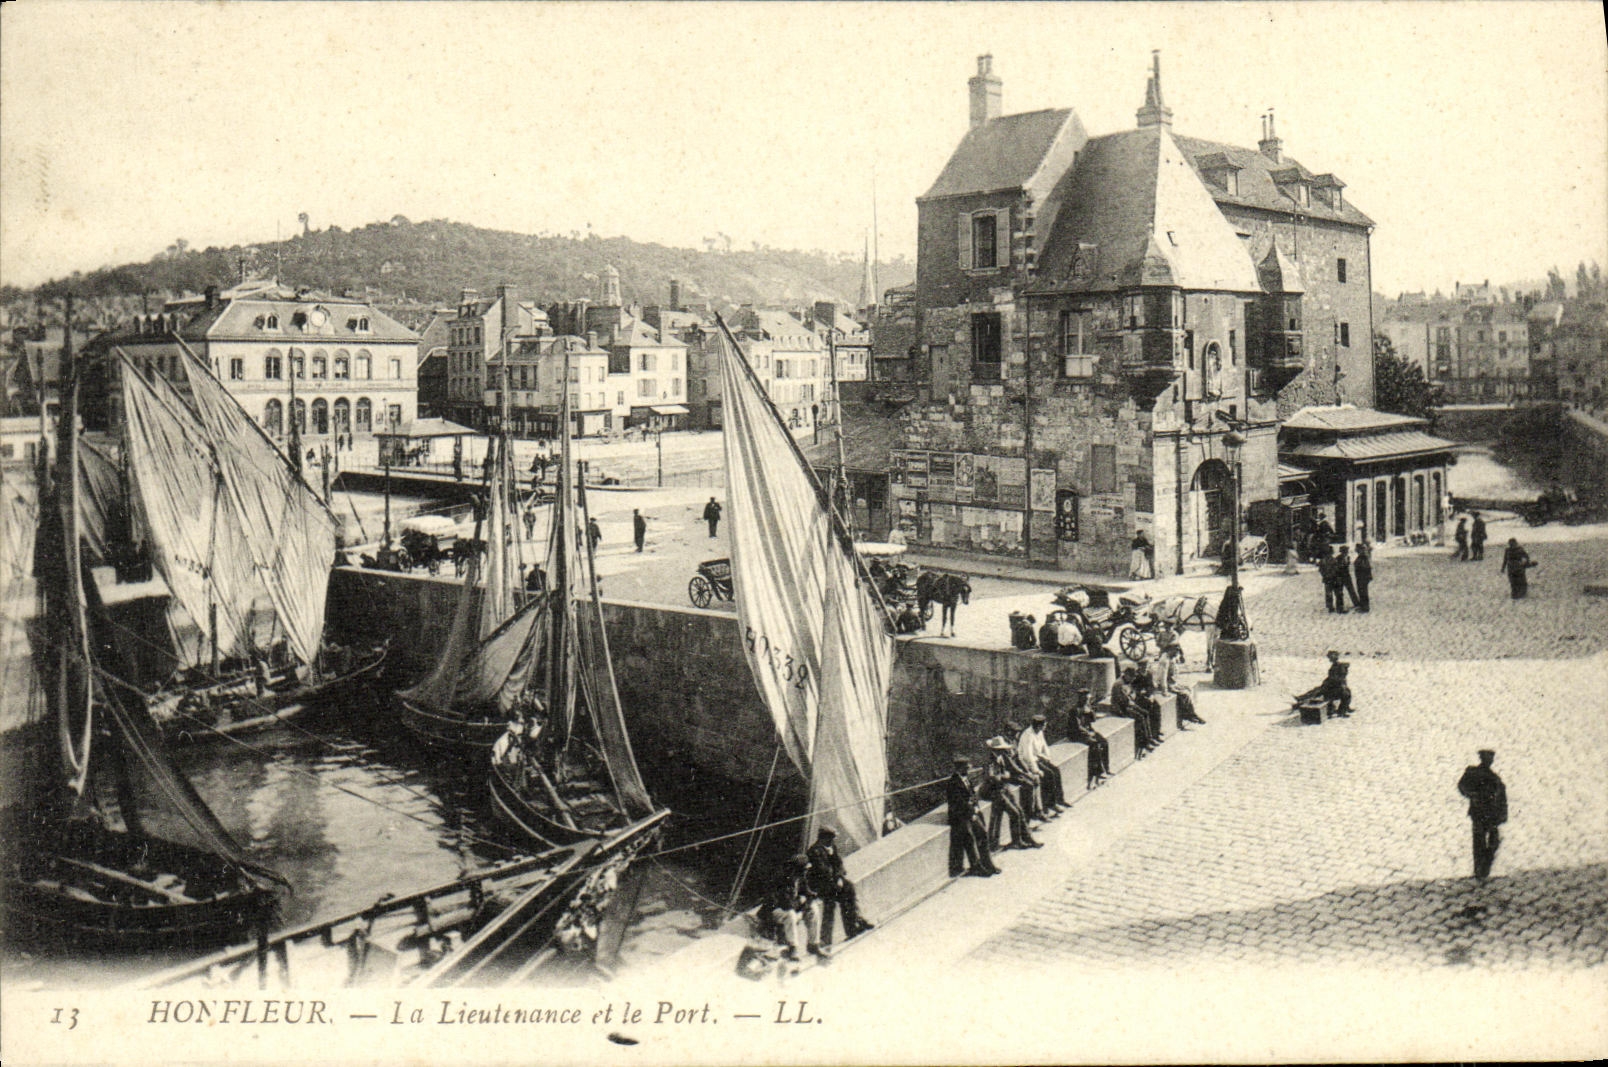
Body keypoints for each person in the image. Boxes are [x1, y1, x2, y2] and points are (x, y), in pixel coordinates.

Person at [805, 827, 872, 945]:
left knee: (848, 889)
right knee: (830, 904)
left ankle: (854, 925)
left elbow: (840, 865)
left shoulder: (831, 848)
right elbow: (823, 871)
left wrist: (839, 878)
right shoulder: (814, 851)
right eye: (831, 838)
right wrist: (836, 876)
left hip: (833, 882)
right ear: (824, 838)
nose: (833, 841)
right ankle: (827, 938)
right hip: (822, 885)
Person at [982, 737, 1042, 851]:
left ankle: (1026, 838)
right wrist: (1006, 775)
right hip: (995, 792)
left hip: (1003, 789)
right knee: (1015, 813)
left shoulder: (1001, 758)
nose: (1003, 750)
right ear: (995, 750)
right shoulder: (989, 761)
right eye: (1001, 749)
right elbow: (991, 777)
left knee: (1019, 811)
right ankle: (1017, 841)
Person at [1457, 749, 1507, 880]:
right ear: (1482, 758)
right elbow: (1462, 786)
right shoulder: (1473, 772)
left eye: (1491, 758)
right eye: (1487, 758)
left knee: (1493, 841)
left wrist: (1502, 815)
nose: (1489, 760)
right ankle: (1480, 870)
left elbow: (1501, 796)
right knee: (1479, 841)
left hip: (1491, 814)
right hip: (1479, 812)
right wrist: (1474, 795)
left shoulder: (1495, 778)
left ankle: (1483, 868)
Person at [764, 854, 825, 960]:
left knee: (813, 909)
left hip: (792, 907)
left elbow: (807, 894)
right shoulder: (782, 880)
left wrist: (807, 900)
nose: (806, 871)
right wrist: (801, 905)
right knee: (791, 915)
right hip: (775, 910)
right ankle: (793, 948)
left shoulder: (800, 878)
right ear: (798, 869)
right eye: (805, 869)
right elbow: (785, 903)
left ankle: (813, 944)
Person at [945, 756, 999, 877]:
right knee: (969, 837)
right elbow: (959, 803)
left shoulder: (966, 780)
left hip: (969, 813)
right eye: (967, 768)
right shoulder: (953, 783)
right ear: (960, 769)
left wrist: (975, 809)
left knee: (983, 834)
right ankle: (976, 866)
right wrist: (972, 813)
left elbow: (972, 797)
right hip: (959, 817)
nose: (969, 770)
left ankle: (988, 863)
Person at [1021, 706, 1069, 816]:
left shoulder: (1039, 732)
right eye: (1044, 725)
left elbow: (1044, 746)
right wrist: (1036, 770)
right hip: (1030, 762)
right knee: (1048, 774)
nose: (1045, 726)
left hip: (1039, 758)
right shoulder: (1028, 735)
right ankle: (1050, 804)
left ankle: (1059, 799)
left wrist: (1047, 758)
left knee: (1056, 770)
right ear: (1038, 725)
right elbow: (1028, 756)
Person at [1065, 689, 1111, 787]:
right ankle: (1099, 771)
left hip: (1088, 731)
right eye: (1085, 699)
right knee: (1094, 744)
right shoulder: (1074, 710)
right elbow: (1077, 727)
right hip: (1077, 734)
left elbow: (1093, 720)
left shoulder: (1087, 707)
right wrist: (1088, 733)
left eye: (1088, 699)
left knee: (1104, 742)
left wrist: (1090, 711)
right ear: (1081, 699)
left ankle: (1106, 768)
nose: (1087, 701)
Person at [1109, 668, 1156, 754]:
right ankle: (1145, 743)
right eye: (1132, 677)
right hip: (1121, 708)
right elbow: (1118, 700)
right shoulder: (1119, 684)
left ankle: (1149, 738)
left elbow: (1131, 694)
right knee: (1140, 717)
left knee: (1145, 713)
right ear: (1127, 675)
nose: (1133, 679)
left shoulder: (1127, 682)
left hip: (1129, 704)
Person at [1297, 649, 1352, 717]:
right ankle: (1301, 698)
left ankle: (1342, 711)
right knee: (1318, 690)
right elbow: (1335, 678)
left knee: (1320, 691)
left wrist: (1328, 683)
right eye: (1329, 657)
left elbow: (1337, 678)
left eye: (1331, 657)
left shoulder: (1338, 667)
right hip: (1333, 688)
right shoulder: (1336, 666)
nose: (1329, 659)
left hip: (1334, 689)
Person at [1320, 546, 1348, 614]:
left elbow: (1321, 570)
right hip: (1335, 579)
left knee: (1329, 594)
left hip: (1327, 579)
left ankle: (1330, 607)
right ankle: (1339, 608)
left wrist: (1325, 575)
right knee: (1338, 593)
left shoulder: (1323, 561)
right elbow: (1337, 569)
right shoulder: (1334, 560)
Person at [1336, 545, 1361, 611]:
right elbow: (1338, 567)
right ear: (1342, 552)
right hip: (1340, 576)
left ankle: (1356, 603)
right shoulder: (1338, 558)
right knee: (1340, 591)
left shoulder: (1348, 557)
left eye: (1346, 551)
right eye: (1345, 551)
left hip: (1347, 576)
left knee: (1351, 590)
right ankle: (1340, 606)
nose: (1346, 552)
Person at [1353, 543, 1373, 613]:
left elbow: (1366, 568)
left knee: (1363, 592)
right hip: (1361, 577)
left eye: (1358, 550)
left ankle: (1365, 607)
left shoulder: (1363, 558)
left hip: (1362, 577)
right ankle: (1363, 606)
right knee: (1362, 591)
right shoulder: (1362, 557)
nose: (1357, 551)